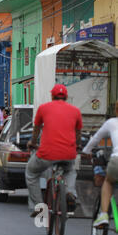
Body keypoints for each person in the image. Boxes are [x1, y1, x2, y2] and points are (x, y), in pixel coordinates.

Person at [26, 84, 82, 217]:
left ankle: (40, 207)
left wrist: (32, 143)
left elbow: (36, 129)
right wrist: (77, 146)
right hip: (68, 153)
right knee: (70, 170)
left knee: (31, 172)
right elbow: (78, 133)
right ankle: (70, 193)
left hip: (47, 154)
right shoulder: (75, 111)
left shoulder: (43, 108)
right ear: (67, 97)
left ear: (52, 96)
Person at [82, 101, 118, 227]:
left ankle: (103, 214)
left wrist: (86, 151)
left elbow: (96, 139)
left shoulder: (112, 122)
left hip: (116, 161)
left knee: (108, 182)